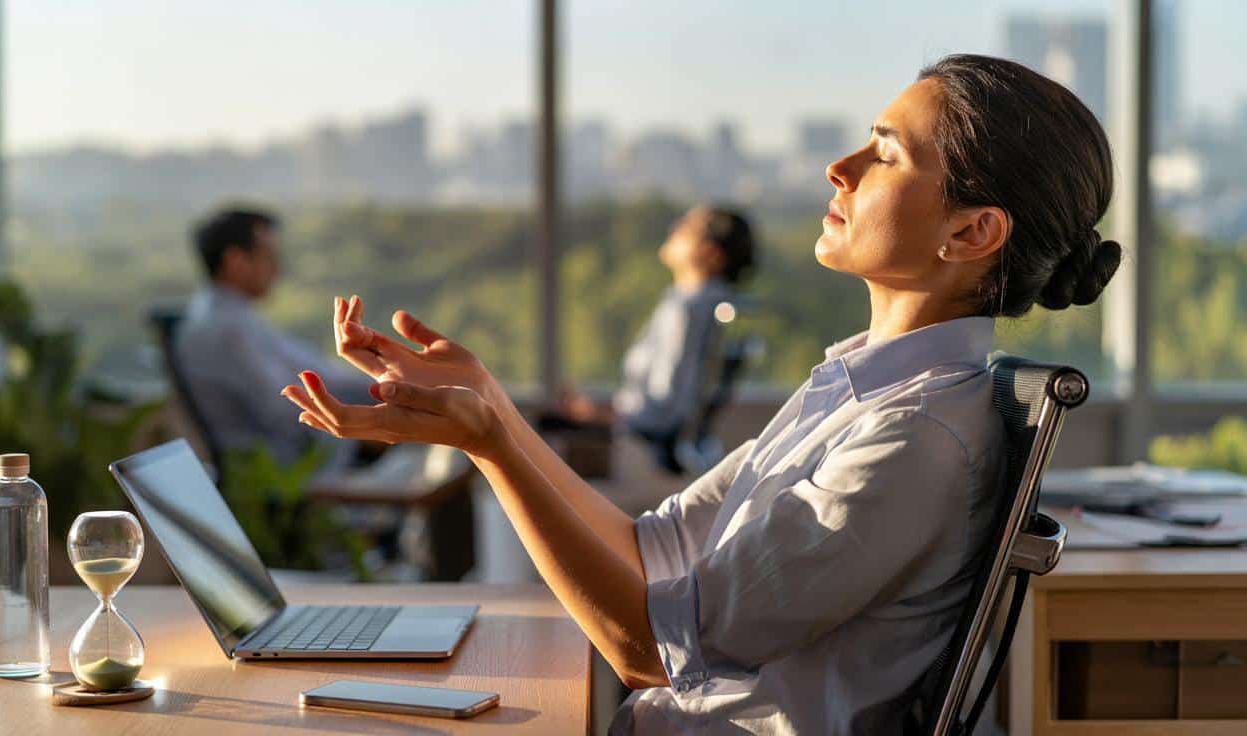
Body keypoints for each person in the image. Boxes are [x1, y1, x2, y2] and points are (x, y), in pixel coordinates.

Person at [281, 54, 1122, 734]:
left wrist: (491, 445)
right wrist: (490, 404)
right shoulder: (857, 389)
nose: (840, 168)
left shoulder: (917, 438)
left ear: (972, 232)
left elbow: (650, 650)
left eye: (886, 155)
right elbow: (649, 547)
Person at [550, 204, 757, 473]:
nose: (674, 229)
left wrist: (601, 417)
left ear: (711, 253)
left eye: (686, 227)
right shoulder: (707, 306)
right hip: (655, 449)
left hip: (644, 457)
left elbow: (663, 409)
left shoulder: (689, 310)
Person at [177, 207, 371, 471]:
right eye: (269, 257)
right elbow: (285, 412)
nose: (277, 270)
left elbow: (320, 373)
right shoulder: (226, 330)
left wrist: (386, 389)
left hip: (300, 453)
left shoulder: (230, 316)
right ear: (236, 261)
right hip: (290, 467)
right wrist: (372, 421)